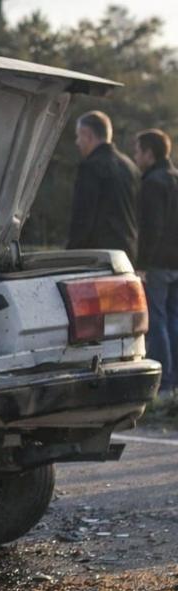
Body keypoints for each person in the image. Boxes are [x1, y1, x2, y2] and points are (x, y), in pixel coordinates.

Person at [134, 128, 178, 394]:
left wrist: (142, 263)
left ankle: (163, 384)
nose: (135, 157)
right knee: (175, 319)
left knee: (158, 320)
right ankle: (175, 384)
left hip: (158, 263)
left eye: (138, 151)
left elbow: (152, 228)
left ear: (149, 154)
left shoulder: (153, 183)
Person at [67, 110, 140, 261]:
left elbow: (83, 216)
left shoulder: (91, 167)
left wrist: (71, 254)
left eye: (78, 136)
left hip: (98, 255)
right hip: (127, 253)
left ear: (88, 135)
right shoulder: (130, 166)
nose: (77, 142)